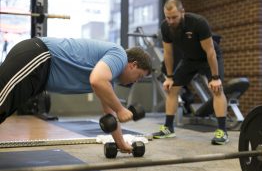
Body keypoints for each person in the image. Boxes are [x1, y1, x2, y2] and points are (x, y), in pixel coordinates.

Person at [0, 37, 152, 152]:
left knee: (4, 109)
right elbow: (97, 80)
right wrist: (121, 109)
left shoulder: (108, 80)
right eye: (139, 76)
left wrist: (121, 144)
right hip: (38, 55)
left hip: (40, 72)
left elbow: (109, 113)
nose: (136, 81)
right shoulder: (119, 55)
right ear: (133, 65)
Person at [152, 0, 229, 145]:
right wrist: (169, 76)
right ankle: (168, 128)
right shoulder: (166, 27)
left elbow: (210, 51)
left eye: (174, 17)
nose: (171, 21)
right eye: (168, 18)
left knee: (217, 90)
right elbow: (168, 54)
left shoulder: (198, 22)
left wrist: (215, 77)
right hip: (189, 59)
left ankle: (222, 131)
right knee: (172, 89)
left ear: (183, 12)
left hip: (208, 57)